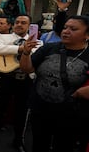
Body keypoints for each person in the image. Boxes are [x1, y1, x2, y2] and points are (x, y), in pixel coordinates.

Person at [20, 15, 89, 152]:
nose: (66, 31)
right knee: (39, 144)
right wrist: (26, 53)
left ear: (87, 35)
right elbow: (27, 69)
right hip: (40, 109)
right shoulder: (49, 48)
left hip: (70, 114)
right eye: (65, 27)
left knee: (64, 146)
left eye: (73, 29)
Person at [0, 14, 42, 152]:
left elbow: (36, 55)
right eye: (17, 22)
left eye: (23, 22)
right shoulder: (4, 37)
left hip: (25, 80)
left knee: (22, 112)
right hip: (6, 77)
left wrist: (26, 49)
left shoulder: (37, 41)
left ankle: (19, 141)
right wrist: (21, 49)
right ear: (13, 25)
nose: (19, 24)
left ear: (29, 26)